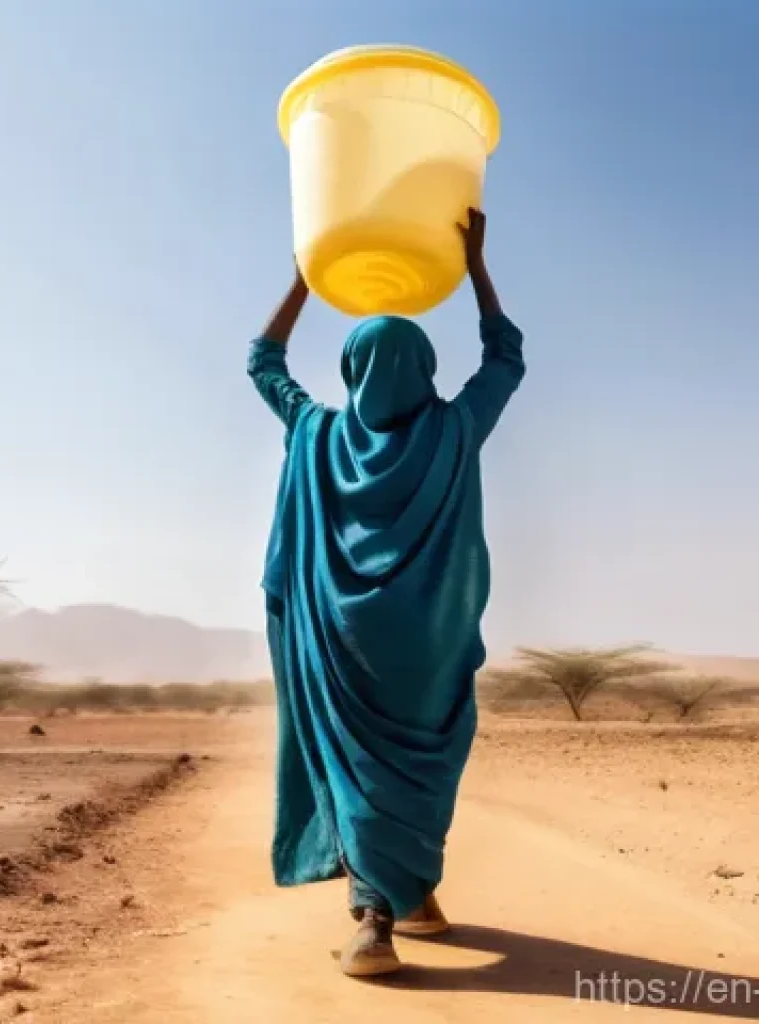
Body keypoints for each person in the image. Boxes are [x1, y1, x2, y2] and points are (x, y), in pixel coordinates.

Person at [248, 209, 525, 977]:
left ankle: (377, 917)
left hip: (342, 646)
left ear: (350, 371)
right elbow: (506, 357)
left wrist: (308, 274)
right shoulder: (455, 428)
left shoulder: (314, 434)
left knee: (360, 766)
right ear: (426, 369)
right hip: (428, 645)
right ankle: (411, 893)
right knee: (426, 761)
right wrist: (475, 265)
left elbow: (262, 360)